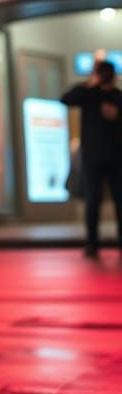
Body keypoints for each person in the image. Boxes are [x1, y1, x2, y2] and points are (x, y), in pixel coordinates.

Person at [60, 60, 122, 258]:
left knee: (120, 199)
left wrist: (117, 115)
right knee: (93, 199)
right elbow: (66, 99)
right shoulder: (89, 94)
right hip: (92, 156)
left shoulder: (118, 96)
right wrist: (89, 83)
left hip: (117, 156)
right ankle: (92, 243)